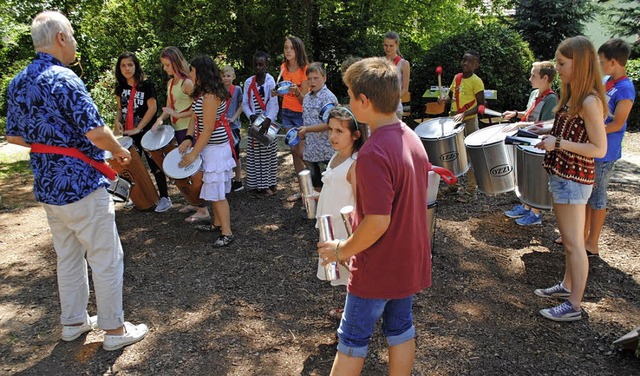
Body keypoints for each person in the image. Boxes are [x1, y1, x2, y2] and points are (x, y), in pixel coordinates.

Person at [6, 11, 148, 351]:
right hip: (81, 185)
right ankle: (114, 331)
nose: (73, 43)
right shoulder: (64, 79)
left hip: (48, 187)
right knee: (105, 256)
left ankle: (73, 322)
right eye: (71, 36)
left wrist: (52, 146)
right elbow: (96, 132)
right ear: (59, 39)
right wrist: (119, 153)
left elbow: (15, 138)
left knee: (68, 257)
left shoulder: (18, 82)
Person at [317, 57, 431, 375]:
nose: (349, 102)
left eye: (351, 97)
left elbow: (378, 222)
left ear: (364, 101)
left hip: (377, 267)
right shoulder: (412, 138)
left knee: (351, 339)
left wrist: (341, 249)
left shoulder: (372, 153)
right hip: (406, 260)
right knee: (400, 330)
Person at [533, 36, 607, 322]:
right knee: (568, 241)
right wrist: (538, 129)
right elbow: (569, 129)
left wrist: (558, 143)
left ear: (580, 62)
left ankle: (574, 305)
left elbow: (598, 149)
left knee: (575, 244)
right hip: (563, 175)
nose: (558, 69)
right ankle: (566, 286)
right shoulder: (573, 95)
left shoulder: (589, 100)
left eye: (562, 64)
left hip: (575, 180)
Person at [582, 39, 635, 257]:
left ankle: (592, 242)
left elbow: (617, 124)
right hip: (592, 146)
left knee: (597, 197)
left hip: (605, 151)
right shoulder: (606, 81)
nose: (600, 65)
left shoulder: (625, 88)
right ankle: (580, 236)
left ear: (614, 62)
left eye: (602, 62)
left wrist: (592, 132)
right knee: (585, 194)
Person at [179, 55, 236, 247]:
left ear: (201, 72)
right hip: (208, 147)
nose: (189, 73)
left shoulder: (211, 95)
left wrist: (194, 153)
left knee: (218, 193)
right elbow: (195, 119)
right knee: (212, 188)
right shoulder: (202, 93)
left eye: (192, 70)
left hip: (216, 149)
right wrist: (188, 139)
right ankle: (217, 223)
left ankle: (227, 232)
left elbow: (208, 128)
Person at [314, 106, 363, 320]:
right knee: (343, 274)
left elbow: (360, 201)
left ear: (355, 135)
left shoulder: (355, 163)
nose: (332, 136)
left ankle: (356, 315)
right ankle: (350, 309)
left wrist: (356, 236)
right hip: (330, 224)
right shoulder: (336, 156)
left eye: (339, 131)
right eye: (330, 130)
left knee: (351, 270)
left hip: (345, 228)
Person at [152, 46, 210, 223]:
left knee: (193, 168)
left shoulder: (187, 83)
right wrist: (160, 120)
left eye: (167, 65)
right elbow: (169, 107)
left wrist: (177, 115)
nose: (165, 68)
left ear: (176, 63)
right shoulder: (171, 83)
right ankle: (194, 202)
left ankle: (203, 208)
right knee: (185, 168)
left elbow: (198, 108)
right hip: (177, 130)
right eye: (164, 65)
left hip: (189, 130)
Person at [113, 52, 172, 212]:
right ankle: (137, 197)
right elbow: (120, 109)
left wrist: (139, 128)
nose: (127, 69)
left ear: (136, 66)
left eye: (130, 65)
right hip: (128, 133)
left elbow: (152, 108)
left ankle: (165, 198)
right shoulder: (120, 86)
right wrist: (117, 120)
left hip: (147, 132)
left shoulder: (146, 85)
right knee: (130, 166)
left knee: (155, 164)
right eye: (123, 65)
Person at [502, 61, 559, 226]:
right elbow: (529, 114)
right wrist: (515, 114)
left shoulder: (551, 99)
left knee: (536, 178)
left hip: (538, 146)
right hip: (526, 141)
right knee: (525, 176)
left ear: (545, 78)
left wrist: (520, 125)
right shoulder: (535, 94)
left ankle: (535, 214)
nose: (530, 78)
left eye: (533, 75)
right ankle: (526, 206)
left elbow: (545, 124)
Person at [437, 50, 485, 202]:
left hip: (469, 121)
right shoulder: (457, 78)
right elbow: (451, 97)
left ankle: (471, 190)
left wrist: (464, 114)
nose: (465, 63)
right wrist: (443, 99)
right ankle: (453, 185)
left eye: (470, 62)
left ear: (476, 65)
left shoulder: (477, 81)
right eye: (464, 60)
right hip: (454, 120)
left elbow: (481, 105)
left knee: (470, 154)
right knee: (452, 153)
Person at [274, 36, 310, 202]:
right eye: (285, 47)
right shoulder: (283, 67)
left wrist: (295, 92)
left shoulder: (305, 70)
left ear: (298, 50)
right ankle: (302, 191)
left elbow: (304, 100)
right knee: (294, 151)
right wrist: (276, 93)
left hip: (301, 115)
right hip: (287, 112)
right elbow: (280, 92)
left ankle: (317, 185)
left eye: (291, 48)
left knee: (302, 152)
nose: (287, 51)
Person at [242, 51, 280, 197]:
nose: (258, 67)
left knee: (268, 154)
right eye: (256, 65)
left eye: (261, 64)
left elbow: (274, 104)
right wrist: (251, 116)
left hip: (269, 121)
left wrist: (268, 120)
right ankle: (258, 187)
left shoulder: (271, 82)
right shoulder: (248, 82)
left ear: (266, 65)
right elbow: (245, 103)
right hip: (255, 121)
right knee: (255, 156)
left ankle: (270, 184)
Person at [298, 62, 338, 191]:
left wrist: (308, 129)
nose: (312, 82)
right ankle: (316, 209)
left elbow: (330, 124)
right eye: (309, 79)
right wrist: (303, 134)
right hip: (311, 150)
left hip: (326, 151)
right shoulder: (307, 98)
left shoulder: (329, 97)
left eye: (316, 78)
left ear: (324, 78)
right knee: (316, 184)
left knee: (330, 185)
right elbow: (307, 119)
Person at [222, 65, 245, 192]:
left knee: (235, 153)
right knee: (225, 153)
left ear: (233, 77)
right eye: (224, 76)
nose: (226, 78)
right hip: (221, 126)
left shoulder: (237, 90)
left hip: (234, 126)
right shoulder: (219, 90)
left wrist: (234, 118)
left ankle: (238, 179)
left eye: (228, 76)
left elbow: (241, 106)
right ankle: (227, 179)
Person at [383, 31, 410, 119]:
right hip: (380, 108)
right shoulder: (380, 62)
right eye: (385, 45)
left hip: (395, 109)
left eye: (391, 46)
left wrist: (392, 100)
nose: (388, 48)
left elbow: (405, 89)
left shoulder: (404, 64)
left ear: (397, 45)